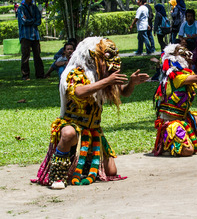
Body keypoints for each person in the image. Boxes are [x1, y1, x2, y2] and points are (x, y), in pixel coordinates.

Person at [31, 37, 149, 189]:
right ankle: (56, 175)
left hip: (93, 130)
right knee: (68, 134)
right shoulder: (74, 72)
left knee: (111, 172)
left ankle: (84, 167)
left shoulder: (104, 76)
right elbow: (79, 92)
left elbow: (123, 92)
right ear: (93, 57)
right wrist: (107, 81)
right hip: (73, 125)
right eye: (105, 57)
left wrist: (132, 83)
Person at [17, 0, 45, 80]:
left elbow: (39, 21)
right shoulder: (21, 8)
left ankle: (40, 74)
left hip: (35, 35)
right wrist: (32, 20)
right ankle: (25, 75)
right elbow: (23, 21)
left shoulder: (34, 7)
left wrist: (30, 20)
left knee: (37, 55)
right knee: (25, 55)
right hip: (25, 35)